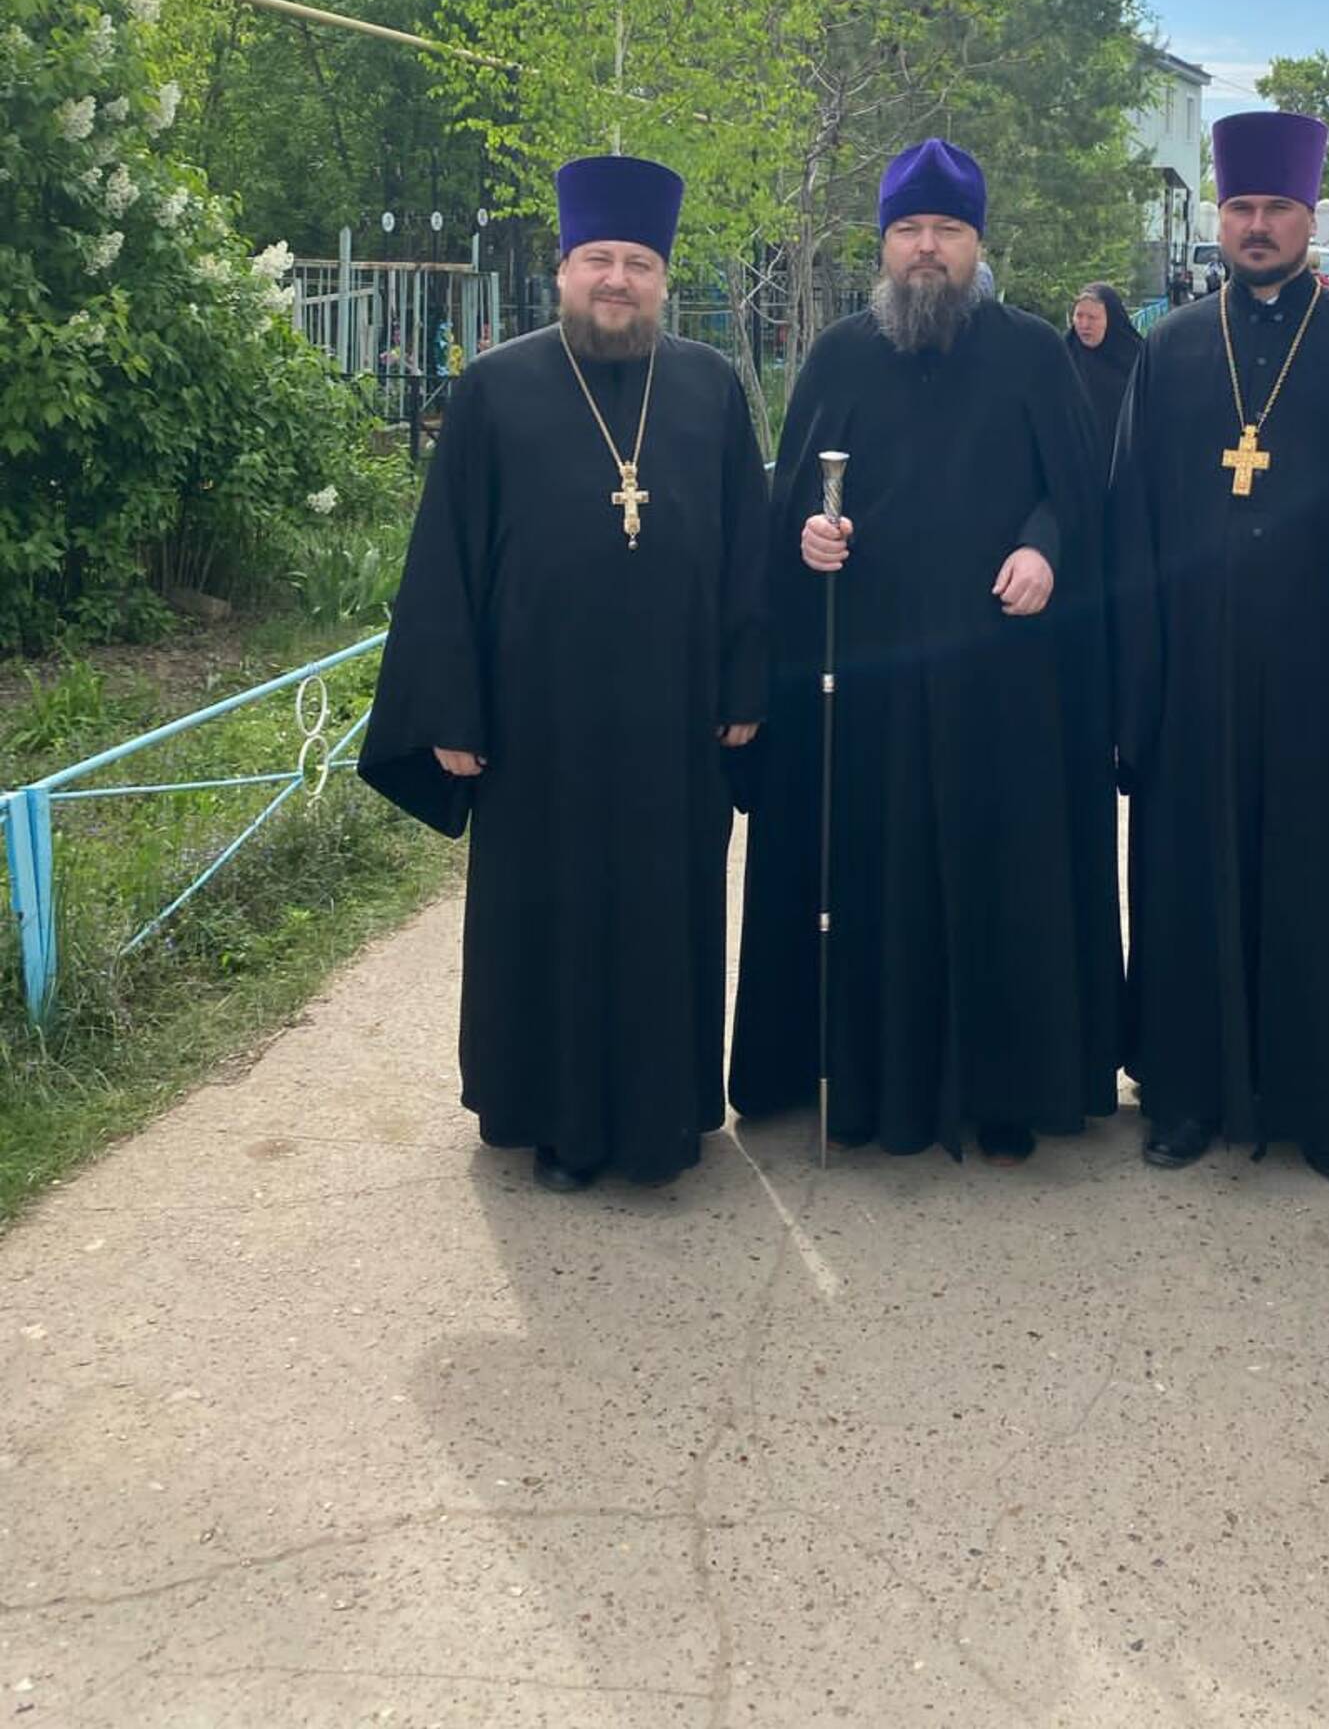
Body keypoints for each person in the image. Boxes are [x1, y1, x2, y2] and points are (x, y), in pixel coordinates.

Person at [360, 155, 767, 1194]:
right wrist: (451, 710)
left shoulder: (710, 388)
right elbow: (444, 563)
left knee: (666, 910)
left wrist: (742, 687)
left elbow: (746, 555)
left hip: (676, 718)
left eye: (638, 262)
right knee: (548, 913)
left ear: (663, 277)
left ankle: (665, 1117)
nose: (616, 279)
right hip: (536, 721)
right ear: (563, 269)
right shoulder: (495, 388)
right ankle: (551, 1119)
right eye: (598, 259)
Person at [729, 137, 1121, 1164]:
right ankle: (869, 1086)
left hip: (1002, 677)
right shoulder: (839, 355)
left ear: (978, 242)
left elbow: (1079, 494)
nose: (927, 248)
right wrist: (808, 538)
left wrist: (1043, 547)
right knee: (872, 873)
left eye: (947, 229)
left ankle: (1005, 1092)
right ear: (883, 243)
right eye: (908, 229)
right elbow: (788, 505)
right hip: (868, 683)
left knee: (1002, 875)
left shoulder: (1031, 352)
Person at [1109, 110, 1329, 1181]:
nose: (1256, 225)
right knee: (1187, 881)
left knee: (1324, 895)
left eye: (1275, 208)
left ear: (1310, 220)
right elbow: (1127, 525)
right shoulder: (1172, 349)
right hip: (1195, 680)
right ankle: (1184, 1097)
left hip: (1328, 681)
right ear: (1219, 221)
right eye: (1240, 207)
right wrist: (1133, 692)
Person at [1065, 281, 1142, 469]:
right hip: (1076, 464)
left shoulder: (1138, 360)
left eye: (1092, 318)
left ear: (1111, 320)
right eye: (1079, 316)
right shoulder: (1063, 357)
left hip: (1125, 463)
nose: (1084, 324)